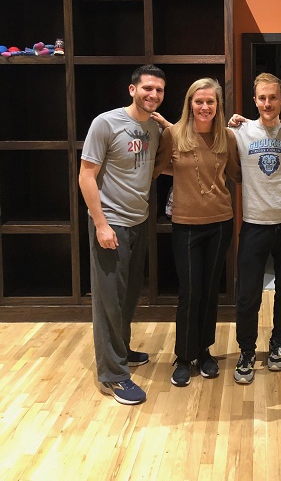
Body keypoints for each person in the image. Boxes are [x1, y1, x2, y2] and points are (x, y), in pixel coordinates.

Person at [79, 64, 167, 405]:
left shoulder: (154, 128)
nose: (153, 94)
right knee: (108, 302)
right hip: (111, 223)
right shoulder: (106, 123)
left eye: (159, 90)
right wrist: (101, 223)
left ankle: (121, 351)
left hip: (138, 221)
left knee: (128, 296)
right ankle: (112, 376)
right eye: (147, 88)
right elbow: (86, 176)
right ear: (133, 89)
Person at [152, 78, 241, 387]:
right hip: (186, 224)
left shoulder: (227, 136)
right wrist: (182, 170)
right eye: (199, 101)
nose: (205, 107)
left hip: (220, 222)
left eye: (210, 102)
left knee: (210, 290)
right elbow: (156, 168)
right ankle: (183, 356)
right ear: (190, 104)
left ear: (218, 106)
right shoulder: (173, 134)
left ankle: (204, 351)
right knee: (190, 291)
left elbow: (238, 173)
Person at [229, 73, 281, 384]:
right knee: (248, 294)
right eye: (262, 98)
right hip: (254, 224)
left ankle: (278, 343)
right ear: (255, 100)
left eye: (272, 97)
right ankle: (247, 351)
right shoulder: (240, 131)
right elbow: (201, 134)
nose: (267, 103)